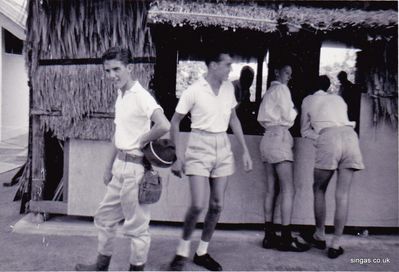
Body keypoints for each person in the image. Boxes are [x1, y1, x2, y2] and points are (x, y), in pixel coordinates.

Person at [75, 47, 170, 271]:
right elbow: (117, 135)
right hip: (120, 167)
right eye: (107, 70)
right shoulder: (121, 95)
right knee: (105, 218)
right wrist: (108, 167)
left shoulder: (141, 96)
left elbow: (163, 125)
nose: (112, 75)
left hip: (136, 171)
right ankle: (101, 266)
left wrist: (141, 140)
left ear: (130, 68)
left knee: (137, 229)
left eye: (116, 69)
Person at [168, 50, 253, 271]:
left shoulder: (228, 89)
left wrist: (244, 150)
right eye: (227, 64)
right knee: (197, 204)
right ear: (213, 65)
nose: (231, 69)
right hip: (199, 145)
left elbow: (233, 118)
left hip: (222, 146)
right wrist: (176, 156)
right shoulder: (194, 90)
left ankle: (202, 252)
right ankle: (182, 251)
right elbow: (174, 122)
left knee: (217, 205)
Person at [300, 75, 365, 259]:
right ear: (328, 87)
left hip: (328, 138)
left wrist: (319, 138)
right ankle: (336, 244)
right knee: (342, 194)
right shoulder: (338, 98)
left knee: (319, 188)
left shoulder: (308, 100)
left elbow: (304, 130)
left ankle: (320, 235)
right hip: (351, 137)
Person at [257, 63, 309, 252]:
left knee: (272, 189)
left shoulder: (269, 92)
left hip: (267, 138)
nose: (289, 76)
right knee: (289, 190)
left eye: (290, 73)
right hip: (279, 136)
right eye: (286, 72)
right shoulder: (282, 89)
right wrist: (294, 110)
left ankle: (269, 236)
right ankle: (286, 238)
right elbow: (289, 115)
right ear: (276, 71)